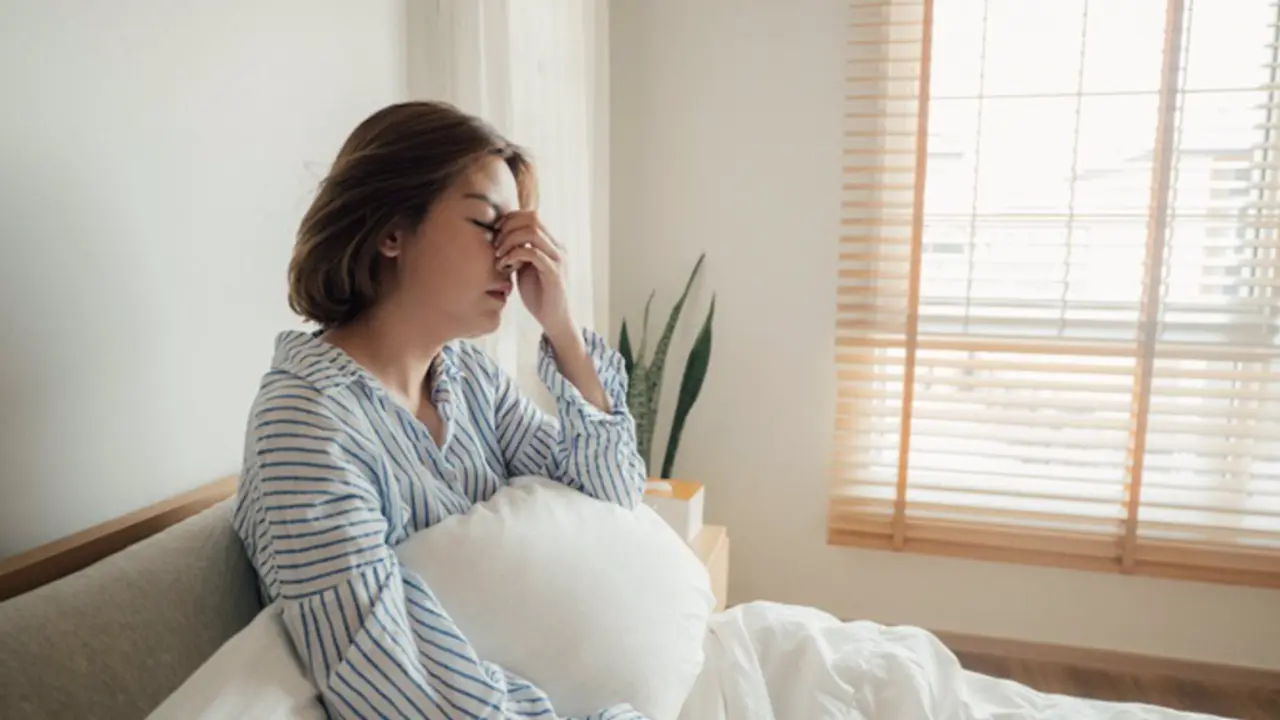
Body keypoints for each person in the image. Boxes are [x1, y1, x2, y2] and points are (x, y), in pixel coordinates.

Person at [232, 101, 649, 720]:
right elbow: (394, 684)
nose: (514, 257)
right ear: (391, 232)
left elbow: (613, 496)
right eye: (488, 225)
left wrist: (561, 327)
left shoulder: (467, 380)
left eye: (521, 233)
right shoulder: (305, 425)